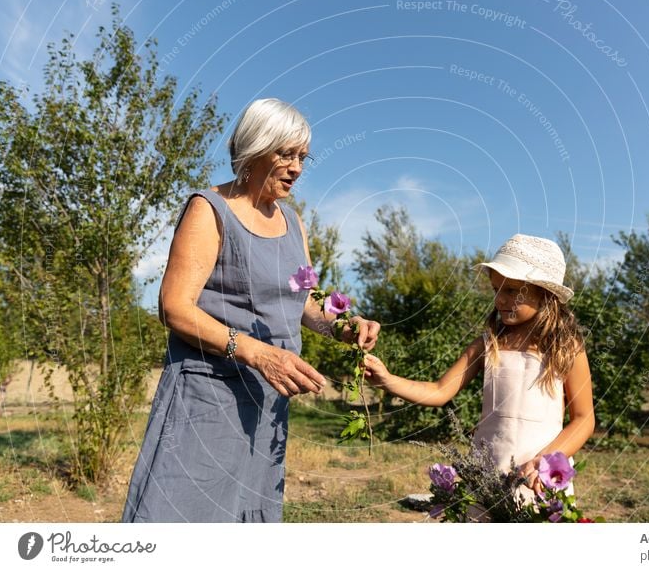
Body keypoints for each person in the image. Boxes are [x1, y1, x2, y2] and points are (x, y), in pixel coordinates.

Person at [122, 98, 380, 523]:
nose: (297, 167)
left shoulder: (292, 222)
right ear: (255, 149)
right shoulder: (210, 209)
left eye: (302, 157)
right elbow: (174, 307)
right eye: (286, 154)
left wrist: (343, 327)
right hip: (208, 395)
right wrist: (258, 353)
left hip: (267, 402)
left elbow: (304, 299)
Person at [364, 234, 594, 498]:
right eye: (497, 289)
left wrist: (545, 460)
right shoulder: (488, 344)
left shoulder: (566, 348)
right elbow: (440, 390)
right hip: (489, 472)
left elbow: (583, 418)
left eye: (511, 290)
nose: (500, 300)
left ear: (545, 293)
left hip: (539, 478)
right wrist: (387, 379)